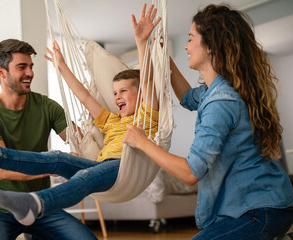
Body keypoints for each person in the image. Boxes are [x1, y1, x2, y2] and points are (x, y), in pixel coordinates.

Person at [0, 4, 160, 228]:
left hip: (124, 167)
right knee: (58, 158)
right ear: (1, 72)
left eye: (124, 91)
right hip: (97, 168)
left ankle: (34, 204)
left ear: (140, 94)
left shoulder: (146, 116)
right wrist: (61, 66)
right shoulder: (111, 120)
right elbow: (84, 96)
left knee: (85, 177)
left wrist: (142, 43)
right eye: (115, 93)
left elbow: (148, 82)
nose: (117, 97)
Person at [122, 4, 293, 240]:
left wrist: (142, 142)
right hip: (269, 204)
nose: (186, 45)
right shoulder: (217, 90)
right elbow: (187, 97)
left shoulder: (221, 100)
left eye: (191, 38)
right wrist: (163, 56)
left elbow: (192, 172)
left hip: (259, 210)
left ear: (212, 46)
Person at [0, 39, 98, 240]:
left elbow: (82, 143)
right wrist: (55, 165)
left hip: (41, 203)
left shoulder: (47, 106)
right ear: (2, 72)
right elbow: (2, 170)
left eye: (31, 66)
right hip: (0, 206)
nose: (30, 73)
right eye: (22, 67)